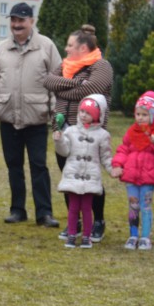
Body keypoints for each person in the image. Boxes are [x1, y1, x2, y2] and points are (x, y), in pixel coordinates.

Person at [0, 2, 62, 228]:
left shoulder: (46, 46)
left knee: (39, 166)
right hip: (8, 118)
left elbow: (58, 80)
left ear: (31, 22)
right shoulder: (0, 49)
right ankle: (17, 210)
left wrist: (55, 111)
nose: (17, 25)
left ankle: (44, 213)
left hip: (36, 118)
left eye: (22, 20)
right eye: (14, 20)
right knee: (13, 166)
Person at [43, 24, 114, 242]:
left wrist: (64, 90)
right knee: (69, 177)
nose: (66, 49)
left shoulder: (101, 66)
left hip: (91, 134)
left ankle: (98, 221)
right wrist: (74, 83)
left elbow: (90, 89)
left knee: (92, 179)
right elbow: (48, 81)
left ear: (83, 47)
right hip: (65, 132)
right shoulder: (66, 66)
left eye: (70, 45)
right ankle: (75, 222)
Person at [111, 91, 154, 250]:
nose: (140, 118)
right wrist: (118, 165)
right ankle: (133, 235)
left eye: (144, 115)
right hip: (131, 177)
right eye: (138, 114)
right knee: (133, 206)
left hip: (148, 177)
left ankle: (145, 237)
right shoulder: (131, 132)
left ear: (153, 115)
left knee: (145, 206)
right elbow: (123, 150)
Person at [53, 95, 114, 249]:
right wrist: (59, 140)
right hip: (73, 175)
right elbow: (64, 151)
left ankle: (87, 236)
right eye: (81, 111)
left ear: (96, 115)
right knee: (73, 208)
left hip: (90, 177)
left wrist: (113, 169)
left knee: (87, 208)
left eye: (88, 112)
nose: (83, 115)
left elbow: (106, 156)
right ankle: (72, 234)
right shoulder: (71, 131)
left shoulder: (102, 135)